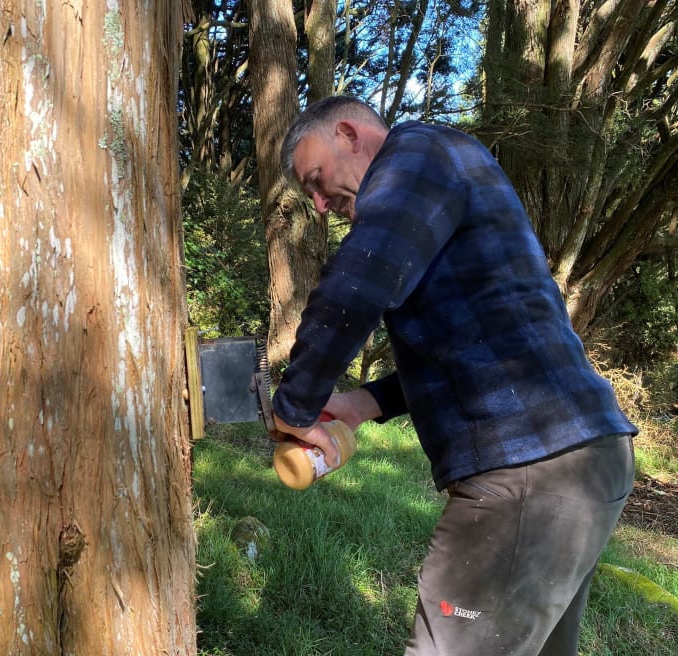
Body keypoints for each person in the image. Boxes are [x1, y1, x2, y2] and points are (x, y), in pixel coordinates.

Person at [270, 95, 638, 656]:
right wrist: (363, 403)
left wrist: (293, 408)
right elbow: (486, 345)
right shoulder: (447, 170)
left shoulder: (413, 154)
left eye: (316, 179)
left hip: (530, 472)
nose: (319, 204)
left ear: (349, 133)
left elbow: (357, 286)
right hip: (582, 460)